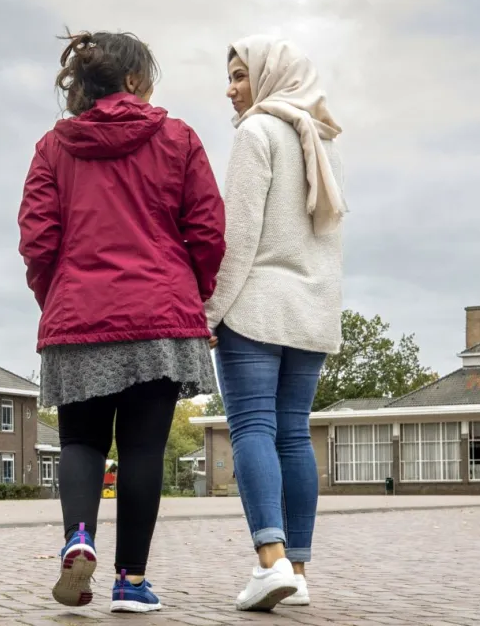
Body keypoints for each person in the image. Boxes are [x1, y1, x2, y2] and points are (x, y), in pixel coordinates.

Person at [19, 30, 225, 614]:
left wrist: (56, 299)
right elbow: (208, 231)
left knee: (82, 440)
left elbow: (37, 241)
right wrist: (194, 295)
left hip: (77, 314)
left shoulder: (52, 149)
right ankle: (130, 582)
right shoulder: (178, 138)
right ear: (134, 80)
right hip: (160, 317)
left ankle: (77, 538)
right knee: (143, 451)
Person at [205, 36, 346, 612]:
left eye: (241, 75)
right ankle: (299, 569)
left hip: (256, 308)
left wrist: (208, 310)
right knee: (293, 434)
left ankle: (271, 562)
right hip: (312, 311)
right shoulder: (324, 143)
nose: (232, 88)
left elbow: (235, 238)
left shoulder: (256, 133)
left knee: (253, 430)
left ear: (268, 77)